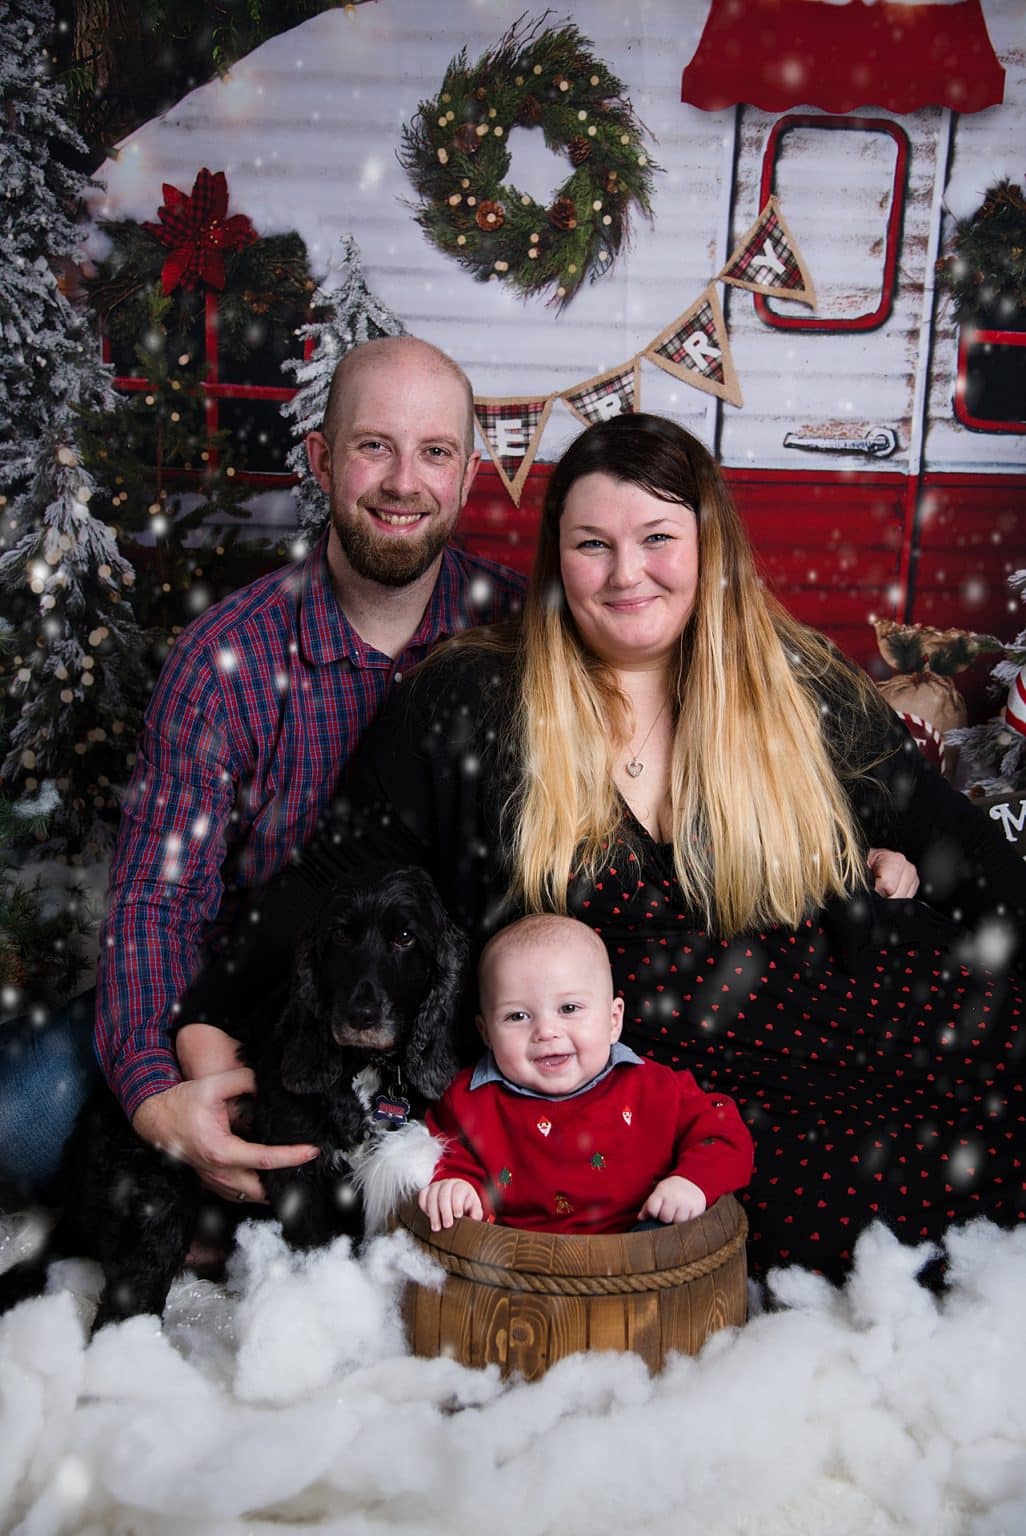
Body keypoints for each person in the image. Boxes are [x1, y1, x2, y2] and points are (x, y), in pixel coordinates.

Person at [178, 411, 1026, 1282]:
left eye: (658, 538)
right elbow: (329, 879)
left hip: (866, 1013)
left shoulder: (792, 682)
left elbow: (961, 847)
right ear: (557, 560)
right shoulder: (472, 699)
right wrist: (204, 1033)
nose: (627, 574)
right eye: (593, 545)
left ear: (708, 548)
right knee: (832, 1242)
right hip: (671, 1100)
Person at [0, 336, 524, 1203]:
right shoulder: (226, 659)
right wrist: (165, 1093)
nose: (404, 482)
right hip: (241, 1002)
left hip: (429, 1011)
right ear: (321, 459)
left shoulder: (514, 631)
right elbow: (158, 901)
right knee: (21, 1121)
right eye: (374, 446)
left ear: (469, 475)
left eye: (435, 452)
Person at [418, 913, 754, 1234]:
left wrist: (692, 1181)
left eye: (569, 1009)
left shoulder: (655, 1088)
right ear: (486, 1033)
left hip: (642, 1250)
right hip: (512, 1260)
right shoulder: (467, 1100)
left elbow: (722, 1129)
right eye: (517, 1016)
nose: (546, 1032)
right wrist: (457, 1184)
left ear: (613, 1021)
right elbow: (447, 1152)